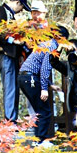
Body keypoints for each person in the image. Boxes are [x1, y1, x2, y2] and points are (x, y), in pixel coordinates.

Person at [18, 10, 58, 144]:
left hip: (24, 77)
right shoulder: (52, 45)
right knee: (44, 111)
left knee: (39, 110)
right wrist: (44, 89)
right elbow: (45, 67)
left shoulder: (44, 44)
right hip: (30, 78)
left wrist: (49, 85)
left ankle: (38, 140)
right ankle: (41, 141)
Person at [0, 0, 30, 122]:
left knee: (14, 86)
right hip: (5, 53)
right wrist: (13, 41)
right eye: (22, 7)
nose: (21, 10)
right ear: (17, 2)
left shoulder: (10, 16)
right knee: (9, 86)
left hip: (13, 55)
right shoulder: (0, 10)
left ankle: (12, 118)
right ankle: (9, 120)